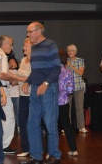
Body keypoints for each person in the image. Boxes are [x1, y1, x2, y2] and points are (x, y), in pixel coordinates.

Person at [22, 22, 61, 164]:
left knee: (50, 124)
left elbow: (57, 68)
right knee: (32, 124)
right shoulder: (35, 48)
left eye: (29, 31)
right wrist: (27, 82)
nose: (28, 34)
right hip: (35, 90)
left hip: (49, 89)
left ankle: (55, 156)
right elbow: (36, 71)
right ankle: (36, 157)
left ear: (38, 31)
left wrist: (45, 84)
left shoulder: (51, 45)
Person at [58, 49, 78, 157]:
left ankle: (50, 152)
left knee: (52, 128)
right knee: (67, 126)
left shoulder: (52, 71)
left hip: (52, 103)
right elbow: (70, 90)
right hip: (64, 102)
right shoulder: (68, 71)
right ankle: (74, 150)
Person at [66, 44, 87, 134]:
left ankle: (81, 127)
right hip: (68, 88)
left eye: (71, 50)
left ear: (75, 51)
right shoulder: (65, 61)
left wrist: (71, 65)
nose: (69, 52)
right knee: (68, 108)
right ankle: (67, 126)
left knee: (79, 107)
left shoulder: (80, 60)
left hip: (78, 87)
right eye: (68, 51)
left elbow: (81, 73)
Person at [7, 51, 20, 134]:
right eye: (10, 62)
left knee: (17, 112)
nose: (12, 63)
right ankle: (10, 129)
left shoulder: (19, 72)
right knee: (9, 113)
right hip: (8, 94)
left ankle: (18, 127)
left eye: (13, 61)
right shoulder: (6, 72)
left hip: (17, 95)